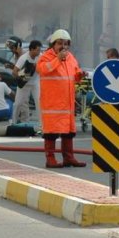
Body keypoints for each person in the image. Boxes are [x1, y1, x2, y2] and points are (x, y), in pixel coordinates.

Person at [36, 29, 86, 168]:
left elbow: (74, 74)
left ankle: (68, 158)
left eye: (66, 43)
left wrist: (80, 75)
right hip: (52, 104)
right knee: (51, 133)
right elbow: (42, 69)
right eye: (60, 43)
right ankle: (50, 159)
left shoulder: (70, 57)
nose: (63, 46)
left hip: (67, 103)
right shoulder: (46, 56)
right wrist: (57, 59)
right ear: (53, 44)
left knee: (69, 132)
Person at [12, 40, 42, 125]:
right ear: (31, 49)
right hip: (24, 84)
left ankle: (42, 125)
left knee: (39, 103)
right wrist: (22, 77)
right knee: (18, 103)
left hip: (36, 83)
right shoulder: (23, 58)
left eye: (39, 50)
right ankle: (13, 123)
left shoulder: (41, 57)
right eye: (37, 50)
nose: (39, 52)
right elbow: (14, 72)